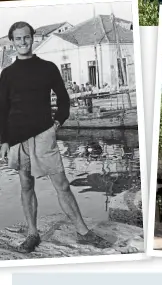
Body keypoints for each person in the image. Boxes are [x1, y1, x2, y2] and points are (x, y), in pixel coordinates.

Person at [0, 21, 110, 253]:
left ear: (33, 38)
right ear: (12, 42)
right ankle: (33, 234)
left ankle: (82, 232)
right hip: (17, 138)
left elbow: (64, 100)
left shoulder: (48, 68)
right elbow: (2, 108)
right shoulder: (7, 74)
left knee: (61, 184)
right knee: (26, 185)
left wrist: (56, 124)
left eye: (26, 37)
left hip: (43, 134)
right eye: (18, 39)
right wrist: (4, 141)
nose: (23, 42)